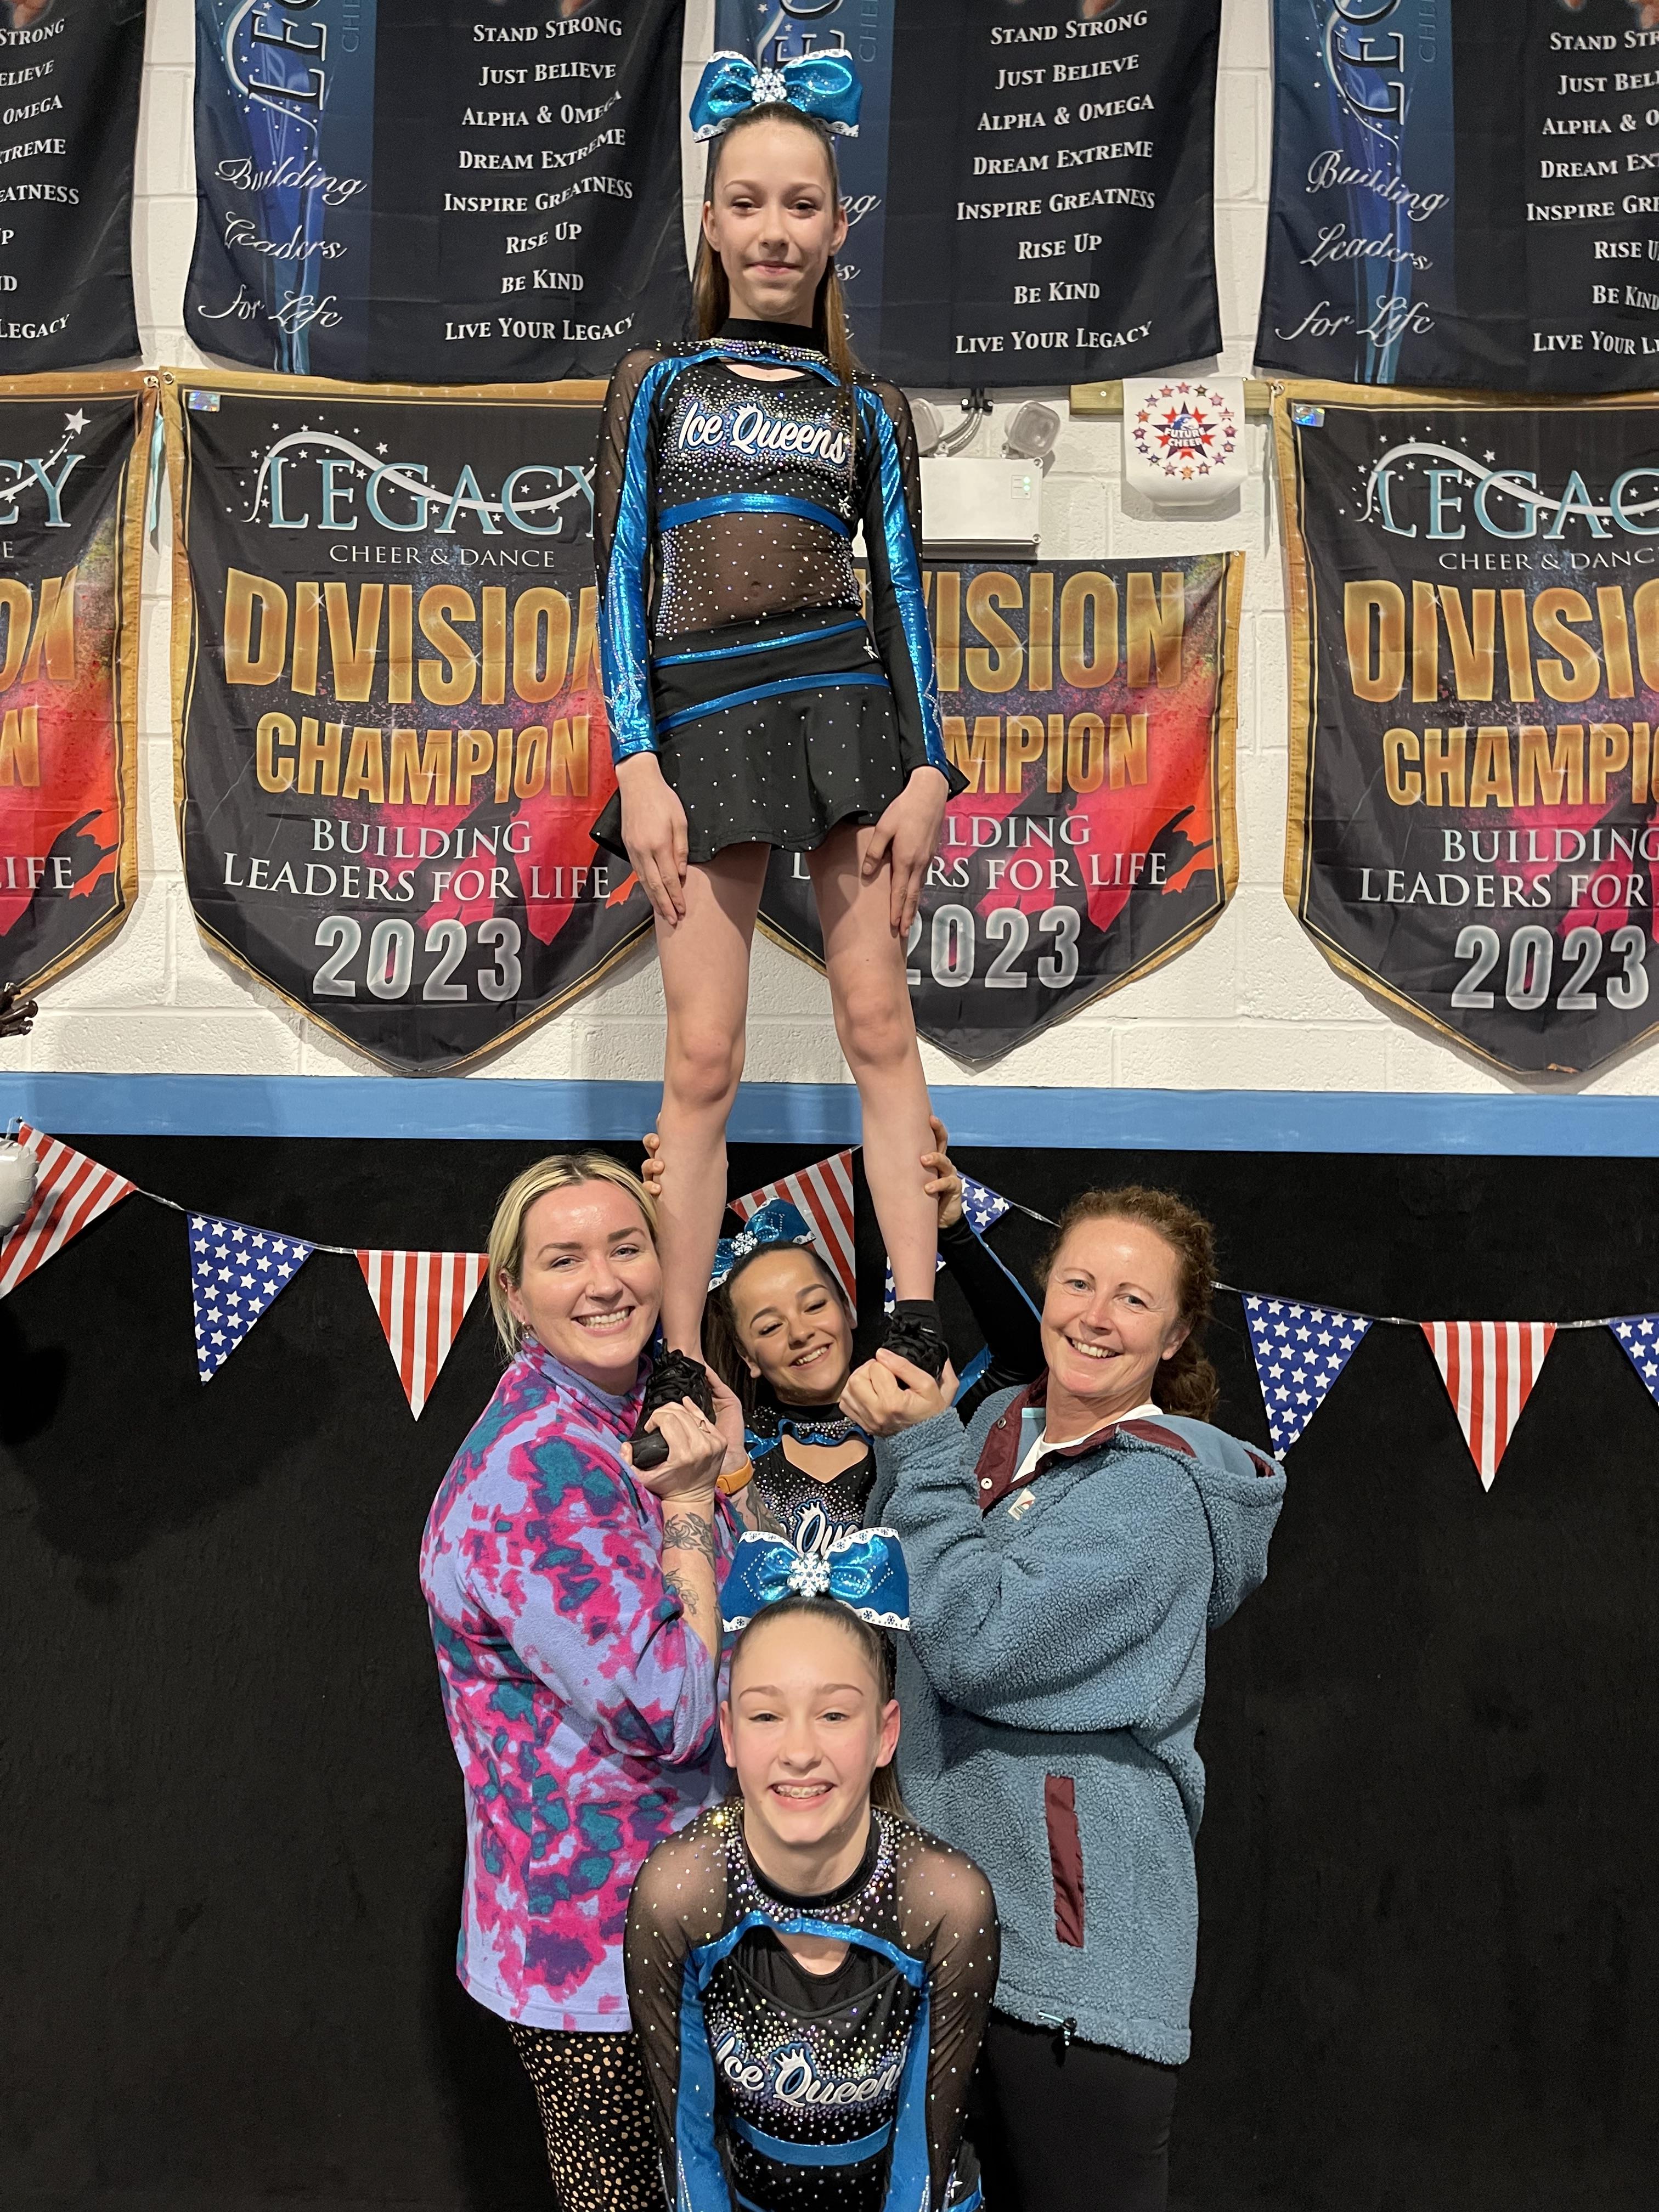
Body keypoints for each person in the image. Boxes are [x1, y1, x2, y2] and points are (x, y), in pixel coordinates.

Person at [591, 50, 966, 1463]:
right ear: (710, 222)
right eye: (745, 202)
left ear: (837, 226)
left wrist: (930, 768)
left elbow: (905, 596)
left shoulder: (869, 409)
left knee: (878, 1021)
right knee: (704, 1052)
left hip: (841, 707)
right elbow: (619, 575)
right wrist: (637, 762)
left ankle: (913, 1315)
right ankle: (682, 1358)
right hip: (697, 720)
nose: (773, 230)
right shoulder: (657, 385)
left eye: (801, 204)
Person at [848, 1187, 1288, 2212]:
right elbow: (894, 1591)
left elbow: (980, 1643)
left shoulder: (1164, 1495)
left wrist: (922, 1449)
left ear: (1174, 1334)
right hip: (938, 1928)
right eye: (1078, 1283)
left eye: (1133, 1299)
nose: (1095, 1315)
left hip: (1068, 1966)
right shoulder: (999, 1426)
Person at [419, 1153, 747, 2212]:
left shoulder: (633, 1413)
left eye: (626, 1246)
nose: (604, 1281)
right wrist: (692, 1507)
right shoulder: (536, 1469)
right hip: (602, 1963)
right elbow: (674, 1708)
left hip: (692, 1923)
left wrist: (730, 1479)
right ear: (512, 1291)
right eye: (563, 1258)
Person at [623, 1513, 998, 2211]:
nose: (799, 1752)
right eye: (767, 1716)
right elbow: (686, 2148)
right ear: (729, 1732)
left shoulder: (945, 1901)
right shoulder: (679, 1892)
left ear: (885, 1733)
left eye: (834, 1715)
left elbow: (923, 2164)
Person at [641, 1119, 1044, 1538]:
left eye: (814, 1305)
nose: (800, 1333)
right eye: (771, 1326)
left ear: (847, 1311)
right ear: (747, 1356)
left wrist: (954, 1231)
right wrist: (663, 1215)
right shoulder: (719, 1443)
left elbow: (1024, 1361)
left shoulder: (920, 1418)